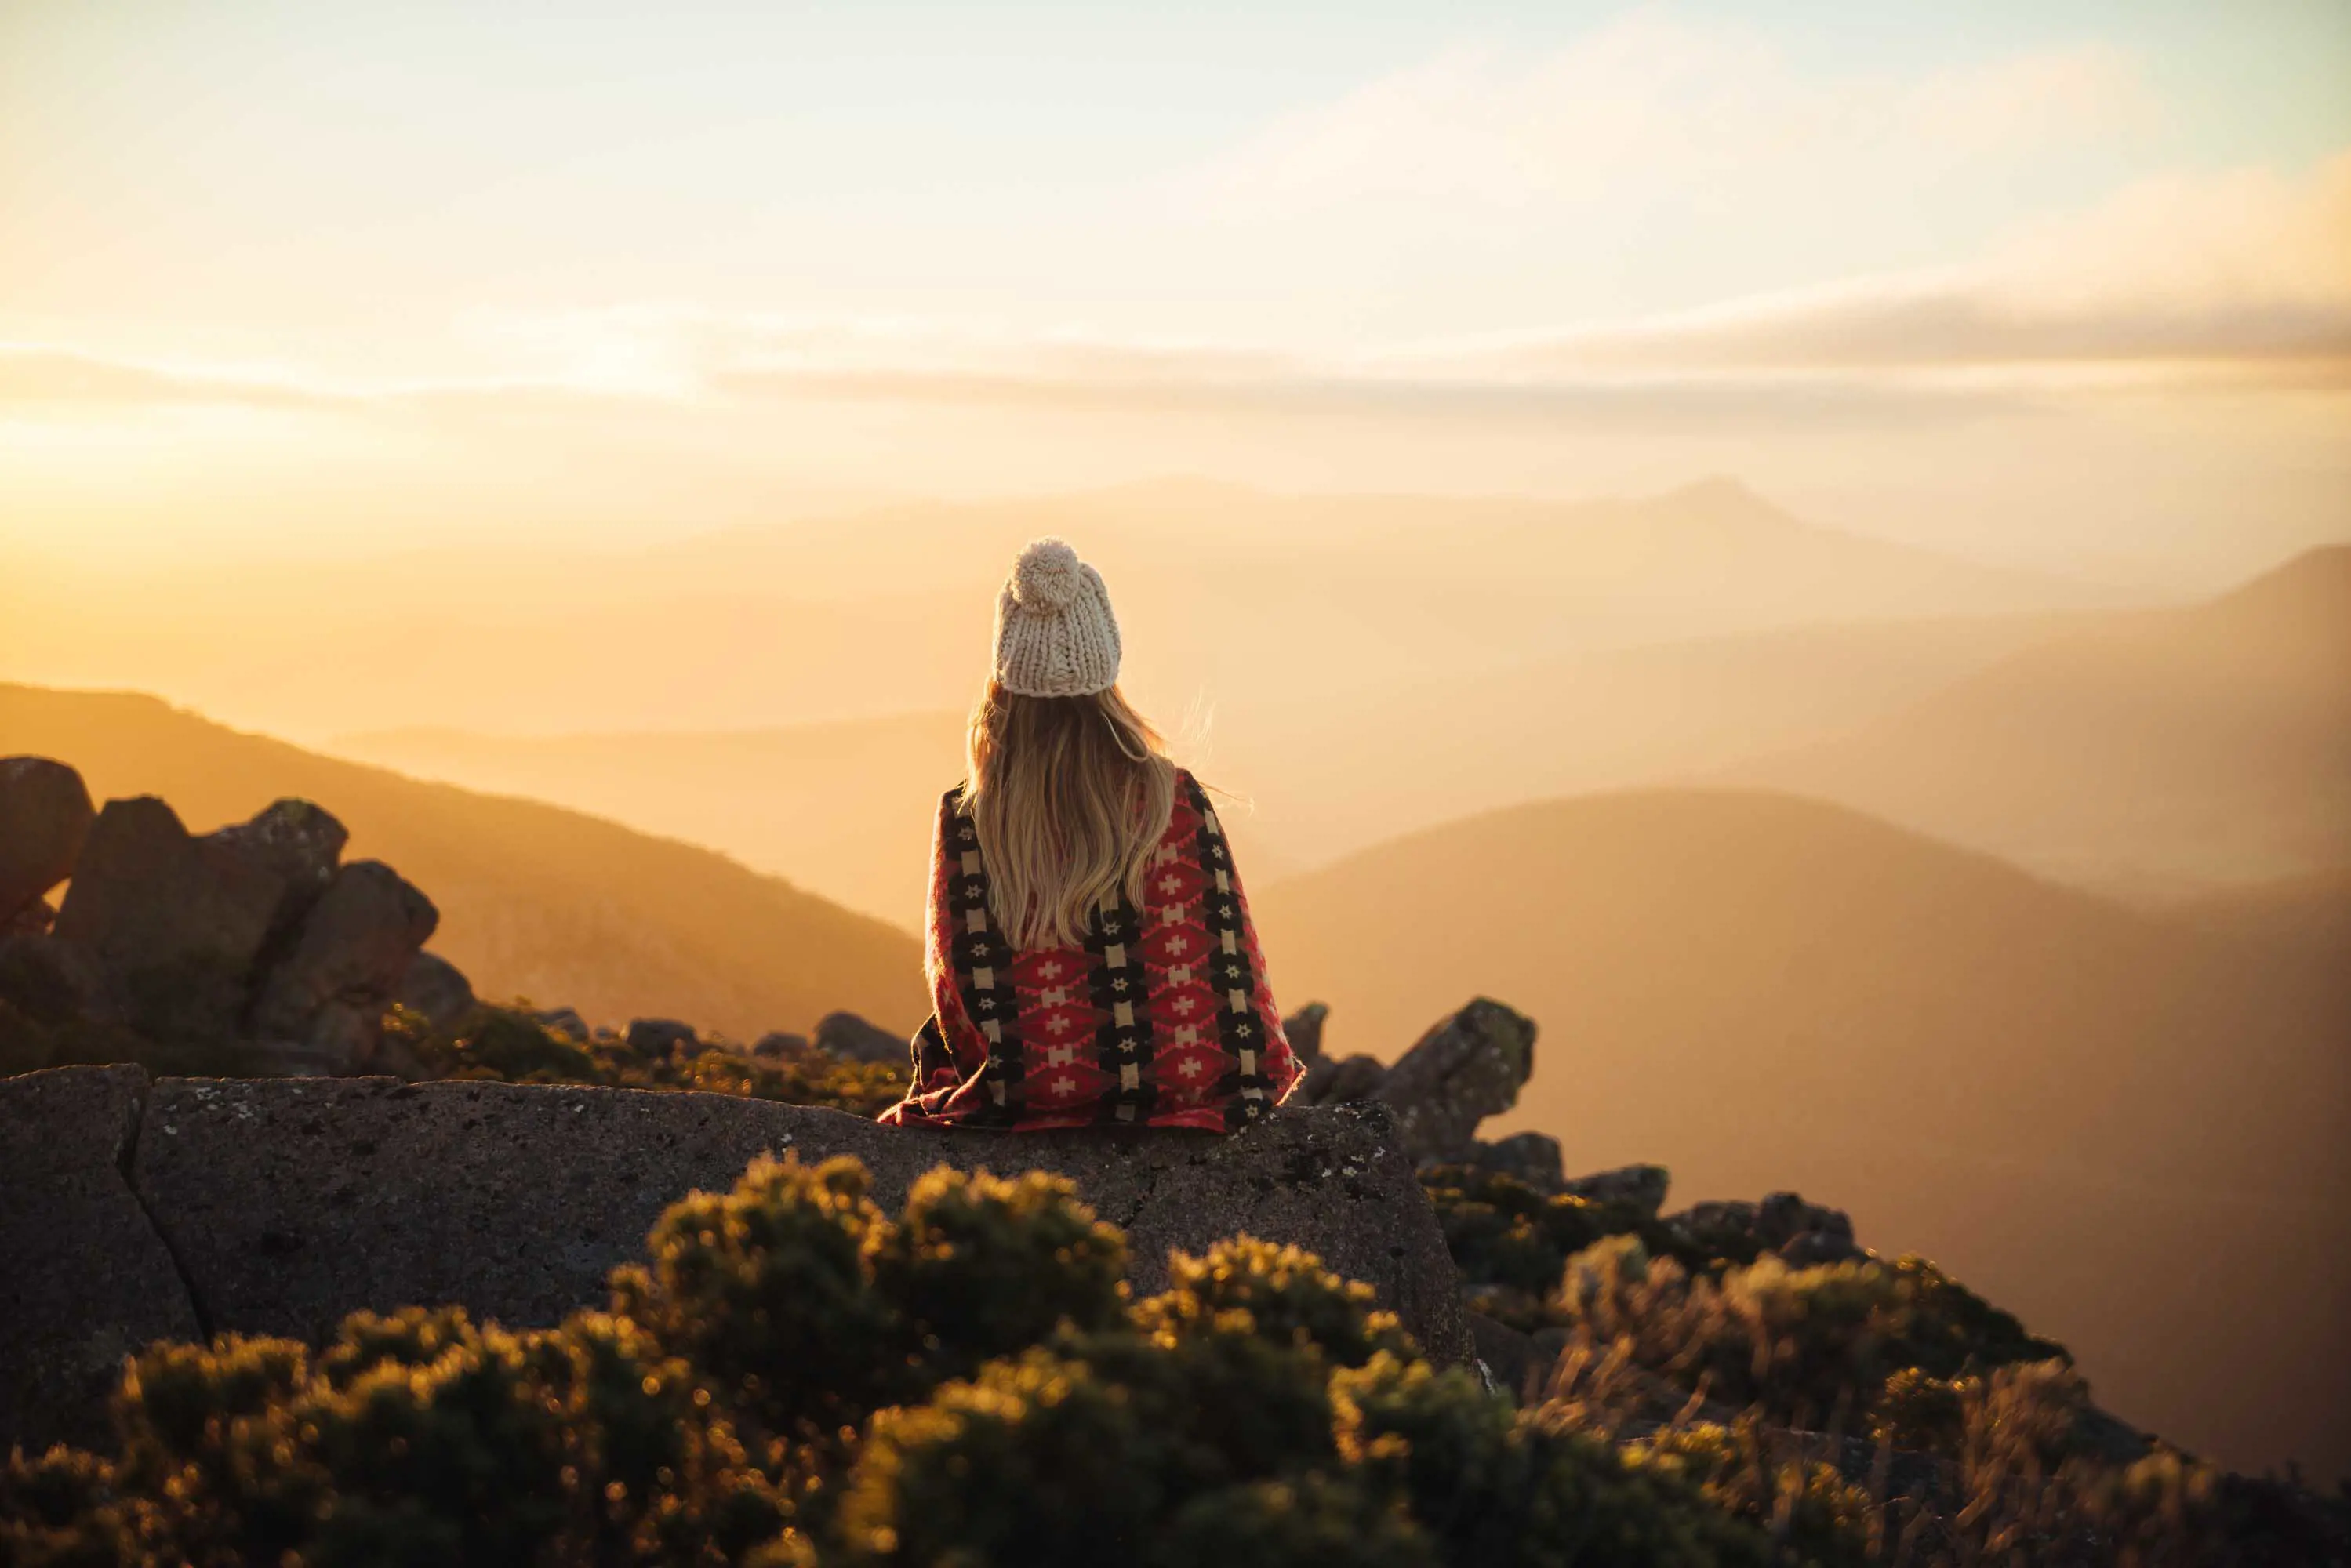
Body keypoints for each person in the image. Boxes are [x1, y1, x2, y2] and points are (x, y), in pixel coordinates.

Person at [880, 538, 1302, 1131]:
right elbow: (1232, 971)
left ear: (1005, 673)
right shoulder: (1174, 799)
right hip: (1186, 1085)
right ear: (1108, 664)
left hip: (1030, 1090)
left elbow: (958, 992)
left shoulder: (967, 819)